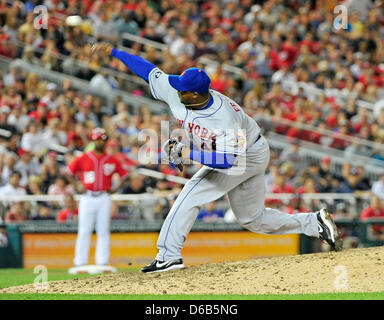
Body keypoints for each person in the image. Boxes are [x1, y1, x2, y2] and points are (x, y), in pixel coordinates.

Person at [92, 42, 343, 274]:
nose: (176, 90)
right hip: (248, 150)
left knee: (191, 194)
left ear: (197, 94)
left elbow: (229, 161)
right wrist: (115, 52)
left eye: (183, 90)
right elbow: (148, 70)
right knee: (252, 218)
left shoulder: (224, 117)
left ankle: (168, 257)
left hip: (246, 154)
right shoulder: (179, 90)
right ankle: (314, 223)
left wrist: (187, 153)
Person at [66, 128, 129, 267]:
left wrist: (115, 189)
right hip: (87, 196)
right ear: (93, 141)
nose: (99, 142)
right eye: (97, 139)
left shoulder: (112, 160)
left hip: (104, 196)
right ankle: (80, 262)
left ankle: (102, 262)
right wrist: (76, 186)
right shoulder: (84, 157)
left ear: (105, 141)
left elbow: (125, 176)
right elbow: (69, 172)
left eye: (101, 139)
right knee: (84, 230)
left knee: (103, 230)